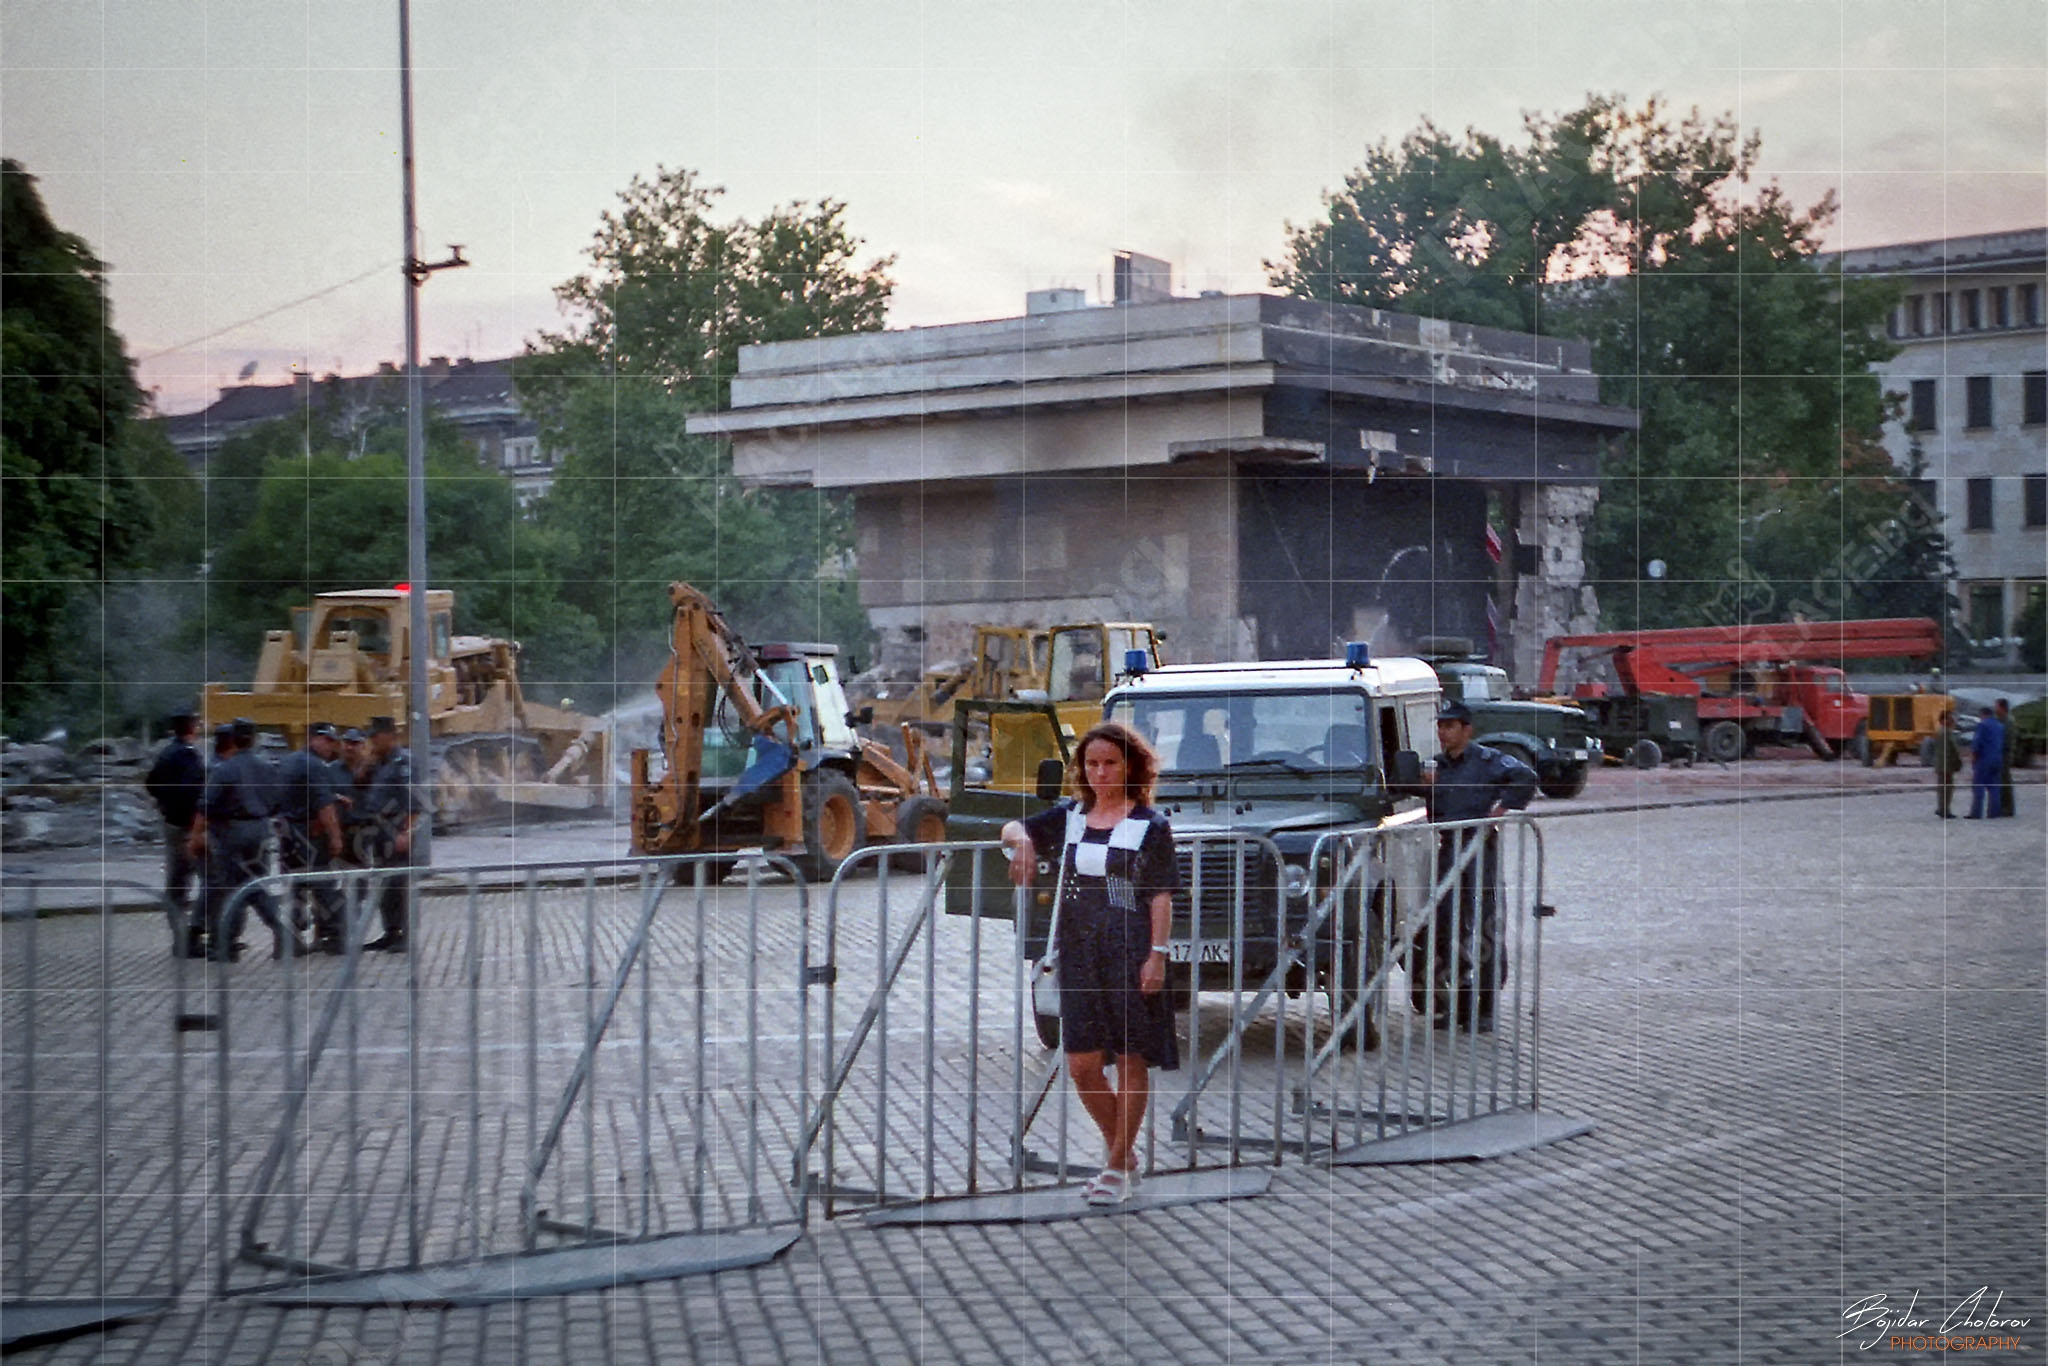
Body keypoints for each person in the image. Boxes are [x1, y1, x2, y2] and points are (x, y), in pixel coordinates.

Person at [998, 722, 1179, 1207]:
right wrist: (1025, 844)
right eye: (1092, 764)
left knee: (1131, 1058)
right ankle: (1127, 1159)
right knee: (1082, 1065)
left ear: (1131, 767)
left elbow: (1160, 896)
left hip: (1131, 950)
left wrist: (1157, 956)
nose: (1100, 773)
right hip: (1079, 952)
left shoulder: (1152, 826)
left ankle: (1116, 1167)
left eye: (1110, 763)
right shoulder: (1072, 817)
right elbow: (1012, 827)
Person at [1412, 700, 1536, 1033]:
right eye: (1440, 726)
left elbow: (1525, 776)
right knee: (1448, 927)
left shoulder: (1487, 761)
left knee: (1483, 927)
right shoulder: (1437, 766)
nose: (1443, 732)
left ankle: (1486, 1006)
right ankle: (1460, 1005)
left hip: (1479, 848)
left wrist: (1501, 809)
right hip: (1449, 848)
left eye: (1450, 726)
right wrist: (1423, 785)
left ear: (1467, 730)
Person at [188, 718, 297, 961]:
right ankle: (272, 933)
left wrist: (195, 835)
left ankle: (230, 943)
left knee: (235, 888)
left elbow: (206, 805)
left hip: (231, 831)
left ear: (233, 739)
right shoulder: (266, 767)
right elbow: (277, 801)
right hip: (260, 829)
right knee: (253, 884)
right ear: (254, 738)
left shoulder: (225, 768)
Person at [276, 722, 347, 953]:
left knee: (294, 887)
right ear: (312, 738)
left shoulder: (289, 761)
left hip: (287, 834)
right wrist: (335, 837)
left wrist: (334, 796)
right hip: (309, 834)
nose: (330, 746)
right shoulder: (315, 765)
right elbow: (324, 806)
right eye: (326, 740)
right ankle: (337, 936)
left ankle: (288, 942)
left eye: (332, 742)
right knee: (324, 885)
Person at [143, 710, 206, 954]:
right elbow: (193, 792)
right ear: (192, 727)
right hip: (187, 827)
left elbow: (151, 783)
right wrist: (196, 824)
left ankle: (180, 938)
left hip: (170, 823)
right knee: (211, 880)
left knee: (176, 884)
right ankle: (192, 937)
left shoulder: (166, 753)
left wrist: (165, 803)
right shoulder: (189, 755)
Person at [360, 715, 425, 952]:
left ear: (389, 735)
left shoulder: (404, 762)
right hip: (378, 829)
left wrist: (406, 833)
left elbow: (413, 801)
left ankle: (406, 935)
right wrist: (367, 764)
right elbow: (360, 783)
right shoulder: (379, 762)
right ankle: (391, 931)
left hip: (396, 827)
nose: (372, 741)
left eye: (376, 736)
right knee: (384, 883)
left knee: (400, 883)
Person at [1966, 705, 2005, 820]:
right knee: (1994, 787)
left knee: (1978, 786)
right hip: (1997, 759)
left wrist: (1973, 756)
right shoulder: (2000, 726)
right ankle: (1994, 812)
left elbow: (1977, 742)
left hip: (1984, 759)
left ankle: (1976, 812)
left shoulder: (1982, 725)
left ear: (1983, 714)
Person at [1931, 720, 1962, 819]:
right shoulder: (1947, 733)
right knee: (1947, 788)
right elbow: (1954, 749)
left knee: (1942, 788)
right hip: (1947, 764)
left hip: (1940, 764)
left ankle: (1941, 808)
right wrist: (1958, 762)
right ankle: (1944, 810)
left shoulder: (1939, 732)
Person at [1994, 698, 2017, 818]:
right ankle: (2002, 806)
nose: (1995, 709)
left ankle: (2008, 808)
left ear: (2002, 707)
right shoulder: (2000, 719)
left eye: (1996, 706)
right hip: (2000, 754)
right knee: (2000, 780)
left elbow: (2006, 740)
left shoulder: (2008, 721)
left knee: (2005, 781)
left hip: (2005, 754)